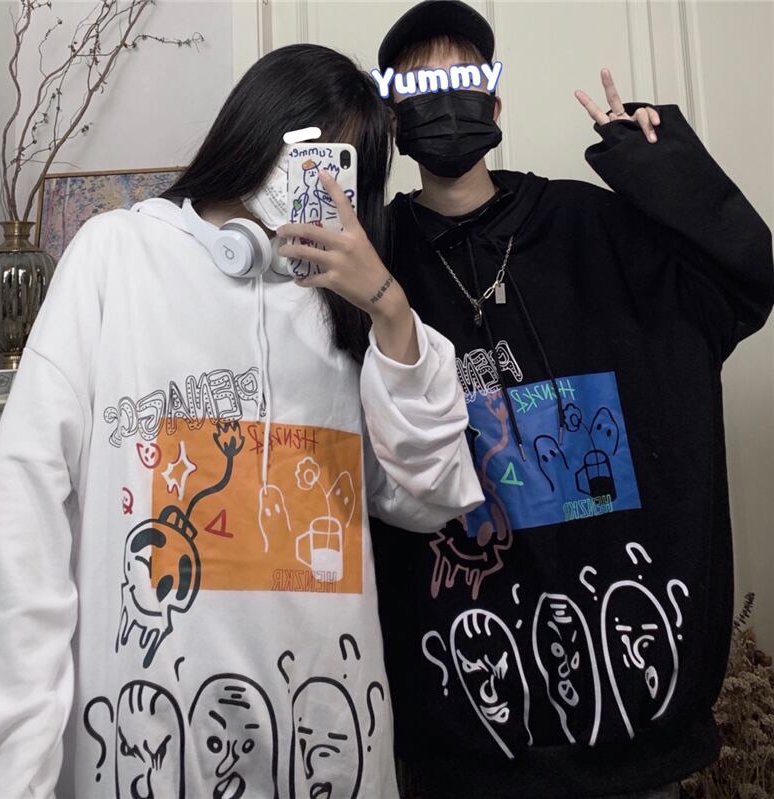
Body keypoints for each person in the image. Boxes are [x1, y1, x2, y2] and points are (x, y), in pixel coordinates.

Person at [0, 43, 483, 799]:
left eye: (344, 168)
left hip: (324, 735)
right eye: (308, 152)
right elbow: (25, 512)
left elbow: (432, 495)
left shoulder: (351, 309)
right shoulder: (117, 254)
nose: (318, 183)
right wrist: (13, 773)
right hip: (150, 734)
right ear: (255, 130)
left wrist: (389, 310)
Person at [370, 2, 774, 798]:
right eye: (418, 87)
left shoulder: (590, 226)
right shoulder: (374, 258)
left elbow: (741, 281)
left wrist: (658, 166)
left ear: (495, 103)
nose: (443, 101)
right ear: (392, 118)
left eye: (462, 79)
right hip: (464, 728)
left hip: (629, 714)